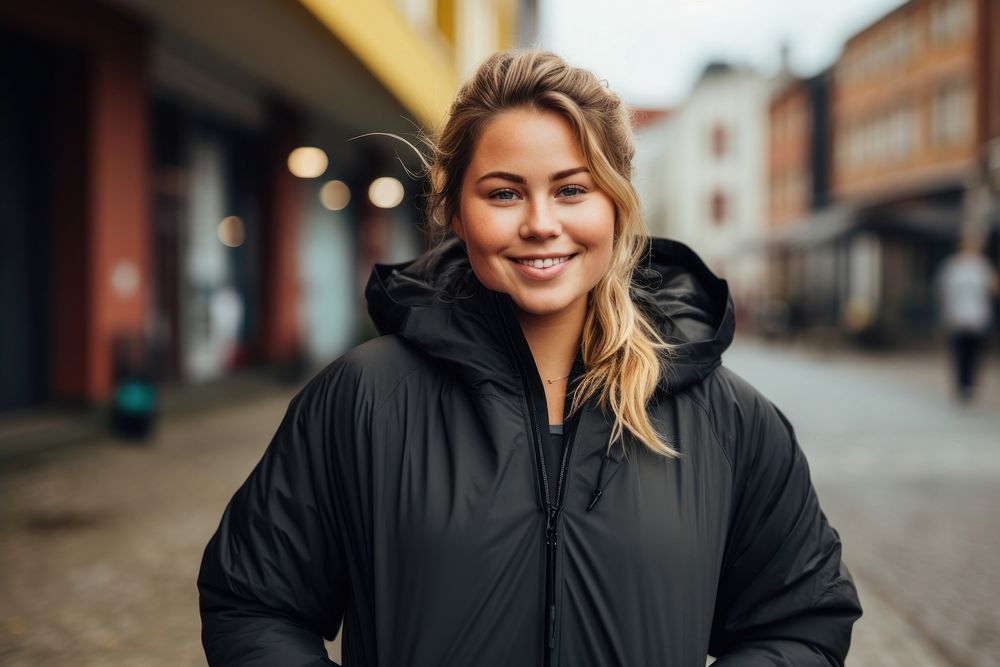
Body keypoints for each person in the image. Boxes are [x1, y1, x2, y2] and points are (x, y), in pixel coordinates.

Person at [198, 50, 862, 666]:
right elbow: (253, 600)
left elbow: (802, 618)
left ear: (617, 205)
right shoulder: (362, 400)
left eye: (572, 189)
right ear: (458, 212)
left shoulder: (730, 421)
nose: (541, 222)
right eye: (504, 192)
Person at [936, 228, 999, 402]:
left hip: (978, 316)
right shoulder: (952, 266)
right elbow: (944, 292)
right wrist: (946, 315)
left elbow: (993, 289)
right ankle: (961, 384)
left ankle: (970, 383)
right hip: (957, 317)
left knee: (975, 352)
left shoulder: (983, 266)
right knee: (960, 352)